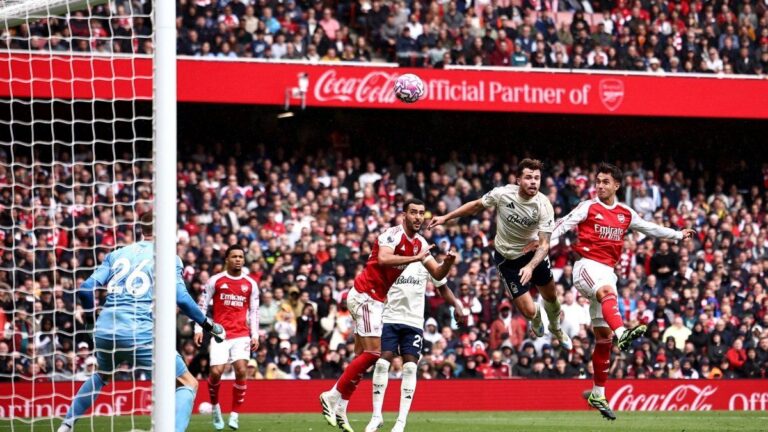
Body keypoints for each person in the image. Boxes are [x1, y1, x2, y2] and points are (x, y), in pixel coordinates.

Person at [548, 163, 695, 420]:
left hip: (608, 273)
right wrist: (542, 244)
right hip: (585, 267)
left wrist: (677, 235)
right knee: (607, 294)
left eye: (606, 182)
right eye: (598, 181)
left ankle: (598, 392)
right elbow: (562, 225)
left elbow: (650, 227)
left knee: (603, 338)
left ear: (617, 185)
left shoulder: (624, 213)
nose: (600, 186)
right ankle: (623, 333)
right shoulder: (588, 207)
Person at [58, 212, 225, 432]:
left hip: (105, 330)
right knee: (188, 382)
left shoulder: (117, 254)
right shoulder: (167, 257)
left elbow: (86, 289)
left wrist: (91, 323)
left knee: (102, 375)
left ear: (141, 229)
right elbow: (182, 299)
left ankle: (66, 425)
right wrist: (208, 325)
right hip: (140, 332)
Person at [319, 199, 455, 432]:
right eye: (413, 212)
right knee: (374, 353)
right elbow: (383, 259)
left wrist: (448, 263)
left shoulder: (420, 243)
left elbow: (437, 272)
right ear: (404, 215)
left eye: (421, 213)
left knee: (362, 355)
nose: (418, 217)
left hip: (375, 300)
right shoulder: (391, 235)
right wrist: (415, 258)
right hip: (365, 295)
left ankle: (342, 406)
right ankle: (332, 395)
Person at [429, 158, 572, 349]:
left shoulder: (544, 205)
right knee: (529, 311)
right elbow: (476, 205)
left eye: (537, 178)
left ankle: (556, 329)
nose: (533, 182)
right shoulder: (503, 194)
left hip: (533, 256)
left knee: (552, 297)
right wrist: (446, 217)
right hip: (507, 259)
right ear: (518, 180)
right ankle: (536, 317)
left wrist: (530, 266)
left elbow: (545, 245)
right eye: (528, 177)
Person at [366, 260, 463, 432]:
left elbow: (442, 287)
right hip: (391, 319)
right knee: (382, 364)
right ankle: (376, 416)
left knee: (410, 368)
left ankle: (401, 422)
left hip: (413, 323)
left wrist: (457, 305)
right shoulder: (392, 256)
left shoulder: (425, 259)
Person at [194, 245, 260, 431]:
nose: (238, 259)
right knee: (216, 372)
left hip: (241, 334)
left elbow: (254, 311)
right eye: (234, 256)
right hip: (220, 334)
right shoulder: (216, 281)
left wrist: (254, 334)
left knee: (241, 370)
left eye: (241, 256)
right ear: (227, 259)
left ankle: (234, 415)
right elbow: (202, 305)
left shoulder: (250, 284)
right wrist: (198, 328)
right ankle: (215, 408)